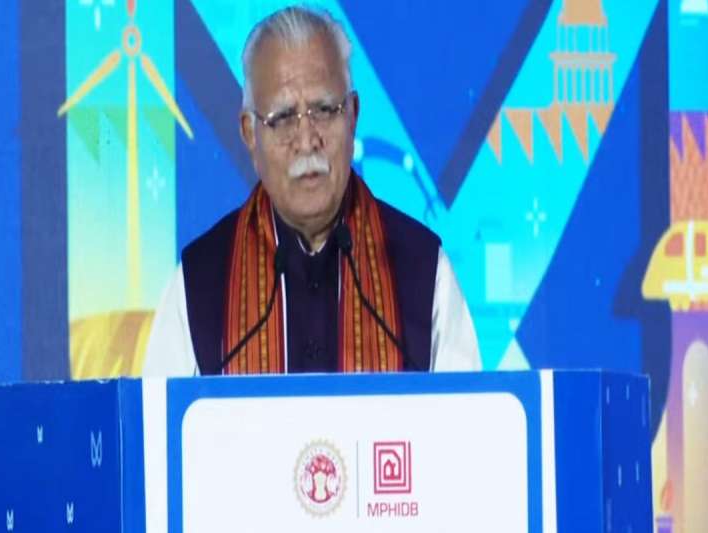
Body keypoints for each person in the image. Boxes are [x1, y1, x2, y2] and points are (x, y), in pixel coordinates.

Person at [144, 6, 480, 376]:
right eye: (283, 118)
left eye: (324, 109)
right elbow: (160, 412)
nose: (306, 141)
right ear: (249, 133)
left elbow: (470, 411)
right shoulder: (199, 283)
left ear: (353, 115)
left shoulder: (423, 271)